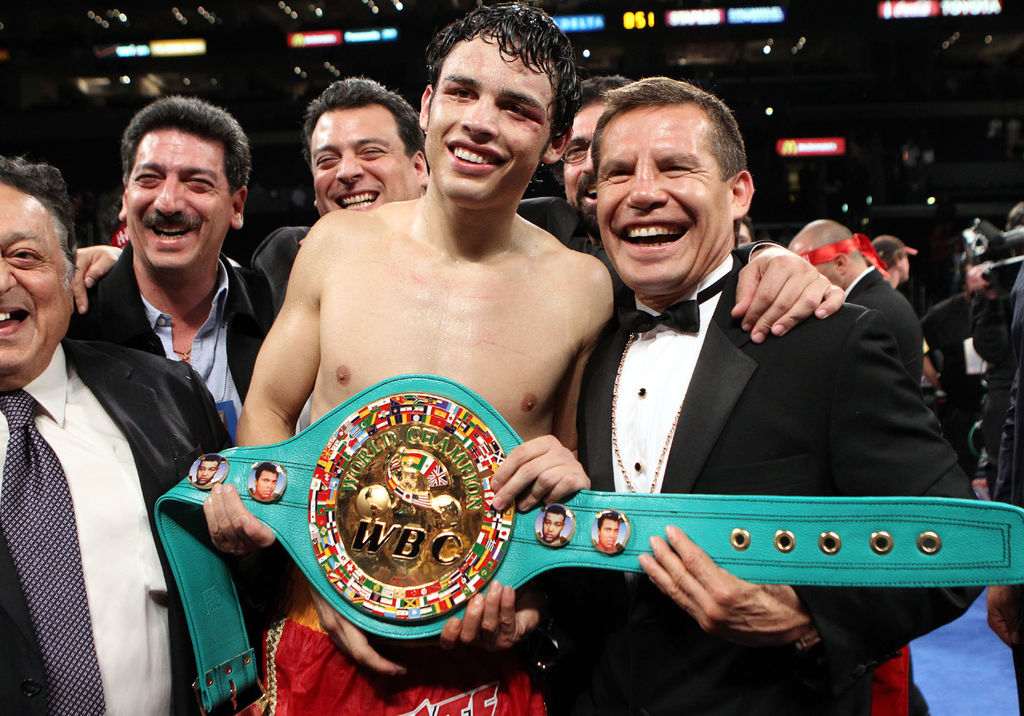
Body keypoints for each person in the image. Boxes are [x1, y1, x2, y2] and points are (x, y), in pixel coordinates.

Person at [203, 6, 842, 714]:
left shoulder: (585, 286)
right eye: (462, 92)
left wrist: (768, 258)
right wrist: (315, 566)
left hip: (483, 640)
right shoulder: (335, 245)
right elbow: (268, 412)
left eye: (516, 108)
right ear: (427, 106)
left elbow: (574, 471)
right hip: (323, 629)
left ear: (555, 142)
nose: (480, 122)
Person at [559, 76, 978, 715]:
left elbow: (958, 539)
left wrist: (808, 618)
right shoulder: (587, 341)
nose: (642, 192)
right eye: (618, 174)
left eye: (675, 167)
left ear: (738, 192)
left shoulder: (829, 339)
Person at [0, 155, 230, 716]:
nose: (1, 281)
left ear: (69, 274)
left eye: (23, 256)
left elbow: (237, 578)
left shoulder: (169, 393)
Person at [66, 96, 275, 440]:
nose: (167, 203)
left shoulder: (277, 310)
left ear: (237, 206)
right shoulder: (71, 323)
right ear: (125, 198)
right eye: (149, 179)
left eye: (197, 183)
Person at [251, 77, 430, 311]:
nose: (346, 172)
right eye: (327, 160)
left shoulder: (470, 262)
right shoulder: (284, 262)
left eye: (370, 152)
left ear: (418, 168)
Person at [790, 219, 924, 381]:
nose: (799, 283)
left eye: (805, 272)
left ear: (840, 264)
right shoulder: (881, 299)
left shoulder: (862, 314)